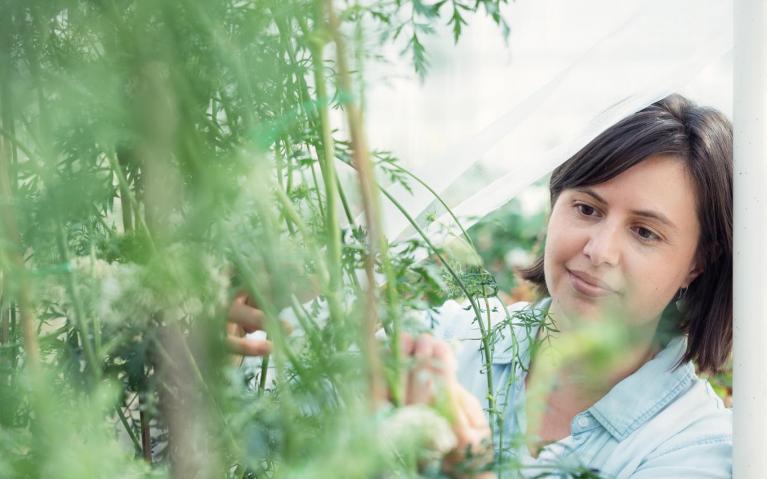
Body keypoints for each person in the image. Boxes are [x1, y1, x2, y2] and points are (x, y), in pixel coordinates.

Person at [227, 94, 733, 478]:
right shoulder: (453, 338)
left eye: (645, 232)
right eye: (587, 208)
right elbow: (260, 412)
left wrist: (468, 466)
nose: (599, 249)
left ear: (697, 263)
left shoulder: (694, 449)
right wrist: (235, 335)